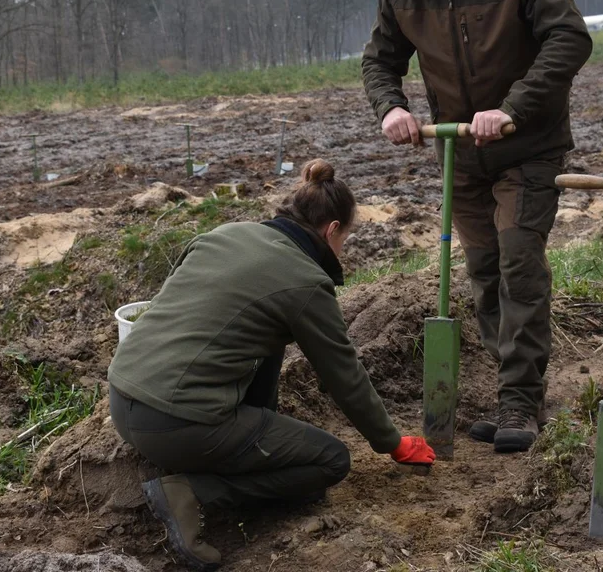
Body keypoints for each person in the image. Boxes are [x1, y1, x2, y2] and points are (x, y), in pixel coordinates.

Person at [107, 159, 436, 571]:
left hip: (122, 397)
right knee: (329, 461)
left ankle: (228, 447)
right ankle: (192, 492)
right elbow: (344, 375)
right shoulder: (304, 281)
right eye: (345, 239)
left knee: (267, 337)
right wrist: (392, 443)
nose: (342, 250)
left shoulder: (221, 235)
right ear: (331, 230)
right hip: (179, 423)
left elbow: (176, 311)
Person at [361, 0, 593, 454]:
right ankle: (512, 391)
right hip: (460, 156)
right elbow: (379, 59)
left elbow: (569, 39)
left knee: (519, 262)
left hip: (527, 147)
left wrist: (512, 108)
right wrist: (391, 106)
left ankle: (520, 397)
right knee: (484, 272)